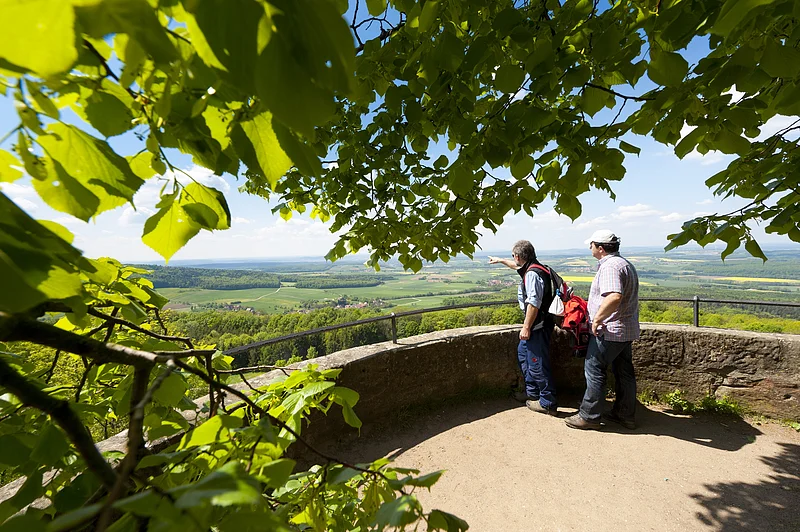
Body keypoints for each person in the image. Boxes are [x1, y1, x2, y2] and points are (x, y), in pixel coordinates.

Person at [566, 230, 640, 430]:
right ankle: (625, 415)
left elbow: (614, 296)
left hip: (610, 330)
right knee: (624, 372)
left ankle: (589, 416)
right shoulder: (624, 263)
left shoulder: (610, 267)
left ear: (600, 247)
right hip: (625, 329)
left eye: (591, 245)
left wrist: (597, 319)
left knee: (594, 369)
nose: (589, 248)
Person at [488, 240, 558, 416]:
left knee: (537, 363)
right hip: (539, 323)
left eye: (513, 256)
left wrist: (526, 327)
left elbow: (533, 302)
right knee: (523, 355)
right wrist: (500, 260)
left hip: (537, 325)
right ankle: (532, 393)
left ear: (519, 256)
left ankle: (548, 402)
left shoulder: (532, 274)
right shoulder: (535, 267)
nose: (513, 259)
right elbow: (515, 266)